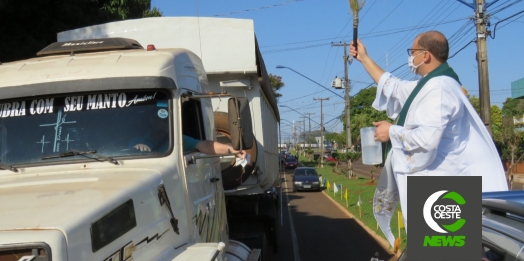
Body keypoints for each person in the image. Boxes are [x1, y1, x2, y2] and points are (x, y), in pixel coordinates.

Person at [349, 31, 508, 246]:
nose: (410, 57)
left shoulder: (439, 88)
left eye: (412, 52)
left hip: (444, 193)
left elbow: (426, 139)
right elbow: (392, 87)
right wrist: (364, 58)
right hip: (437, 191)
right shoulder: (429, 85)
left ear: (425, 55)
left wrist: (391, 131)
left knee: (444, 254)